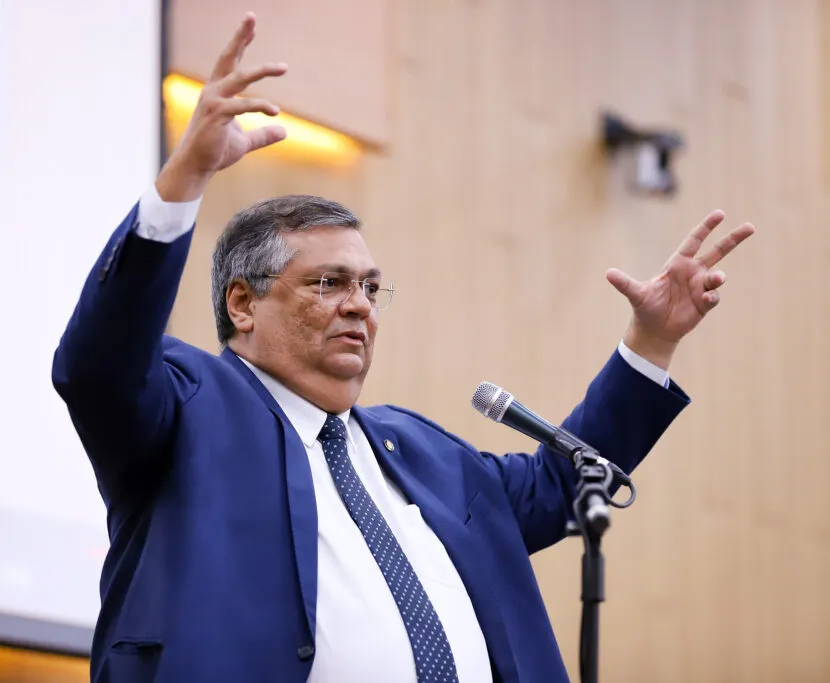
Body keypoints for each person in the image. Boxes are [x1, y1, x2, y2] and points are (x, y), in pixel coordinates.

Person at [52, 13, 754, 683]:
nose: (360, 304)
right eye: (329, 282)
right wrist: (184, 179)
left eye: (369, 286)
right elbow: (98, 366)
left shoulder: (419, 450)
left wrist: (652, 340)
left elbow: (561, 482)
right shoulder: (188, 410)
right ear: (243, 304)